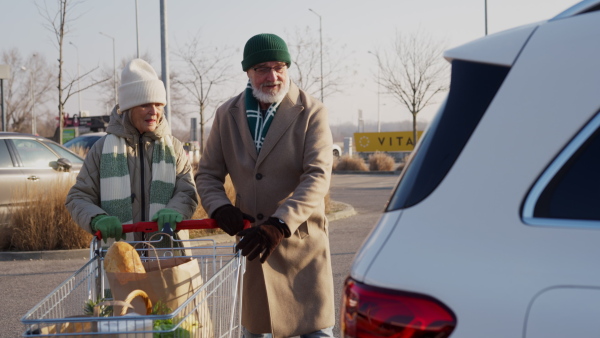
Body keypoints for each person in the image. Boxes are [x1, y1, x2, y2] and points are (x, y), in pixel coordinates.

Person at [195, 33, 335, 337]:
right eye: (261, 68)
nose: (272, 76)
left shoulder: (312, 112)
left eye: (279, 67)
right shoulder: (226, 114)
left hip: (302, 247)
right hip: (253, 248)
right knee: (255, 331)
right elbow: (207, 174)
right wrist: (220, 208)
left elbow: (318, 175)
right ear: (247, 72)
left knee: (316, 332)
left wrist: (280, 224)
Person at [66, 58, 198, 250]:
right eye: (145, 105)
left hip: (167, 258)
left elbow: (187, 192)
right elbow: (78, 197)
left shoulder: (174, 148)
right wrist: (97, 218)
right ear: (128, 108)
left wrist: (174, 210)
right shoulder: (102, 149)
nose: (154, 111)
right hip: (120, 259)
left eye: (159, 104)